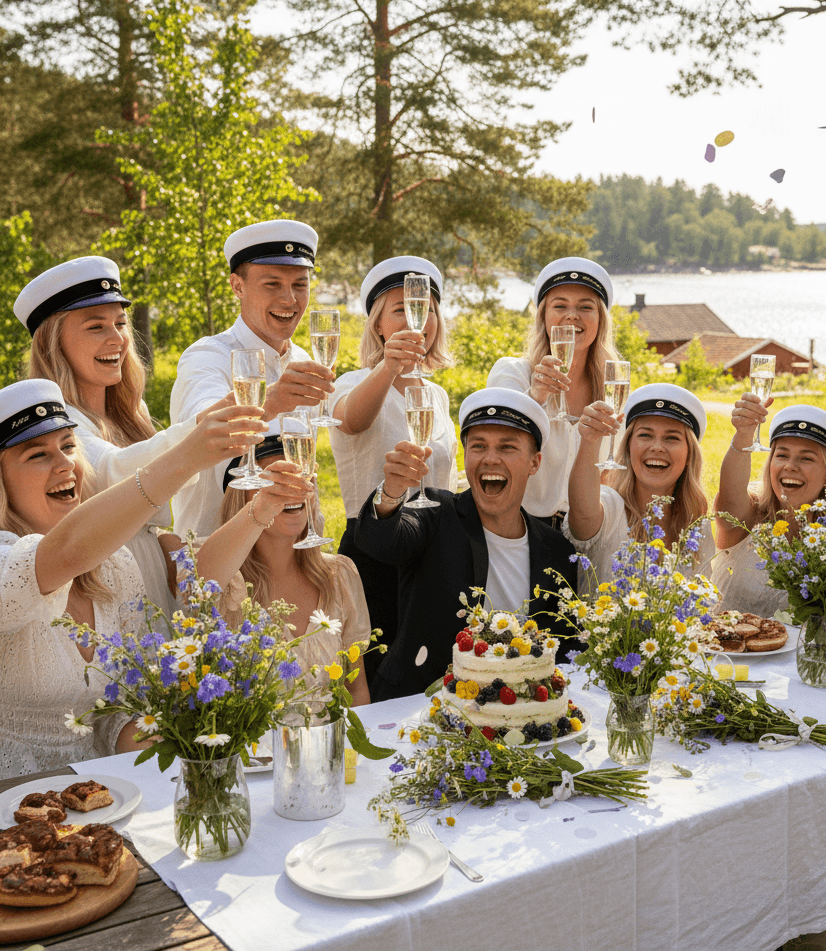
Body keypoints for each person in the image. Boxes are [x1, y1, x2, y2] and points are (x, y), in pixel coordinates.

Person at [0, 378, 260, 780]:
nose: (65, 463)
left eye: (69, 446)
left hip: (107, 793)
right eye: (37, 455)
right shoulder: (6, 563)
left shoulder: (116, 564)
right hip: (14, 804)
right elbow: (66, 551)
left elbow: (118, 711)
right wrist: (185, 458)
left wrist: (187, 753)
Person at [15, 256, 230, 622]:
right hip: (104, 587)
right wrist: (208, 424)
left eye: (121, 323)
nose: (117, 338)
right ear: (55, 343)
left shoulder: (132, 413)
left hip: (151, 576)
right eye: (96, 326)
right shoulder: (56, 425)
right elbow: (111, 473)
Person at [352, 387, 578, 701]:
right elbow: (379, 540)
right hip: (415, 705)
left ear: (534, 462)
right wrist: (390, 492)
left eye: (507, 447)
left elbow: (564, 649)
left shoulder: (557, 550)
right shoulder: (434, 510)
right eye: (479, 446)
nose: (490, 458)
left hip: (516, 713)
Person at [327, 256, 456, 687]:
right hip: (374, 550)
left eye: (427, 308)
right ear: (378, 325)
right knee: (377, 677)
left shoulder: (436, 395)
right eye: (400, 308)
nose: (417, 318)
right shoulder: (353, 381)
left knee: (434, 675)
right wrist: (389, 366)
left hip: (432, 551)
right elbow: (353, 421)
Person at [170, 219, 335, 538]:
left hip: (291, 562)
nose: (290, 299)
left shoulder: (303, 360)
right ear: (237, 286)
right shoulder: (207, 357)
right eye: (272, 284)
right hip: (215, 565)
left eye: (300, 284)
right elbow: (203, 433)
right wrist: (268, 402)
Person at [194, 432, 371, 706]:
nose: (292, 488)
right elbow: (201, 582)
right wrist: (262, 509)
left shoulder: (339, 574)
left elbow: (356, 691)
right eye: (274, 479)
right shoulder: (227, 582)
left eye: (299, 475)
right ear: (240, 497)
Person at [487, 257, 621, 526]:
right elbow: (495, 447)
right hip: (522, 527)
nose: (573, 315)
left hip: (589, 529)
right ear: (544, 317)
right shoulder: (513, 374)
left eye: (586, 307)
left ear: (600, 320)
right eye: (560, 305)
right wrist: (535, 397)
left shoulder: (612, 389)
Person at [565, 383, 715, 586]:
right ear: (628, 447)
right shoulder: (611, 507)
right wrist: (590, 440)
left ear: (689, 454)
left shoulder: (697, 526)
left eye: (671, 438)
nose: (657, 447)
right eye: (645, 435)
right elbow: (582, 512)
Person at [713, 402, 826, 618]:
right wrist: (744, 435)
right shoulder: (750, 512)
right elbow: (729, 501)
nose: (790, 466)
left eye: (806, 458)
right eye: (782, 455)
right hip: (728, 647)